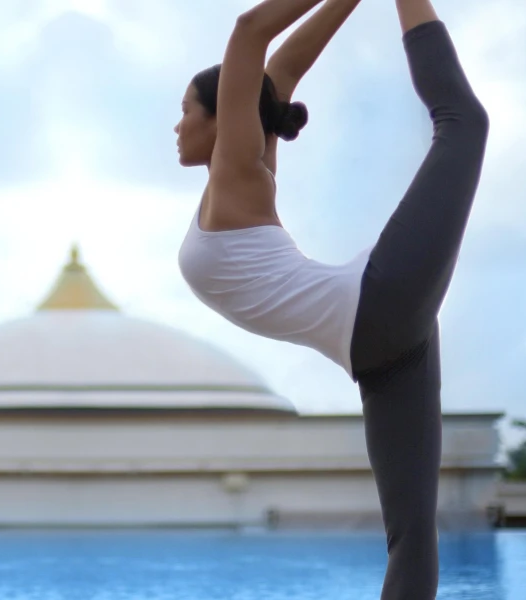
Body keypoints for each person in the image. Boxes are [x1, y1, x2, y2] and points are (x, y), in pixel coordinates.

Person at [174, 0, 489, 598]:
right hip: (377, 354)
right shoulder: (244, 169)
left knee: (463, 122)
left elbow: (251, 30)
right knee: (410, 536)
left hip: (377, 305)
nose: (177, 125)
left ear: (221, 119)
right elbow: (284, 68)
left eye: (185, 110)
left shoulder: (238, 171)